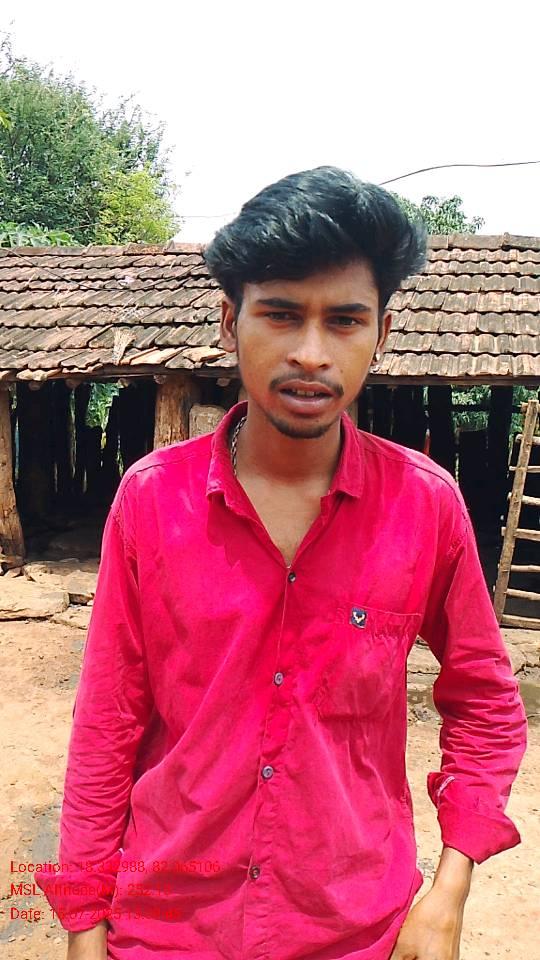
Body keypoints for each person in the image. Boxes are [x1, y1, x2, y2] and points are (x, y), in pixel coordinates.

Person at [37, 166, 527, 960]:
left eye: (344, 321)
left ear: (382, 334)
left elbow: (485, 704)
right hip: (168, 927)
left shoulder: (425, 506)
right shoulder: (153, 501)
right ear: (230, 322)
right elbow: (107, 723)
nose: (310, 353)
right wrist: (85, 923)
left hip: (356, 929)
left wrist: (449, 890)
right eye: (281, 314)